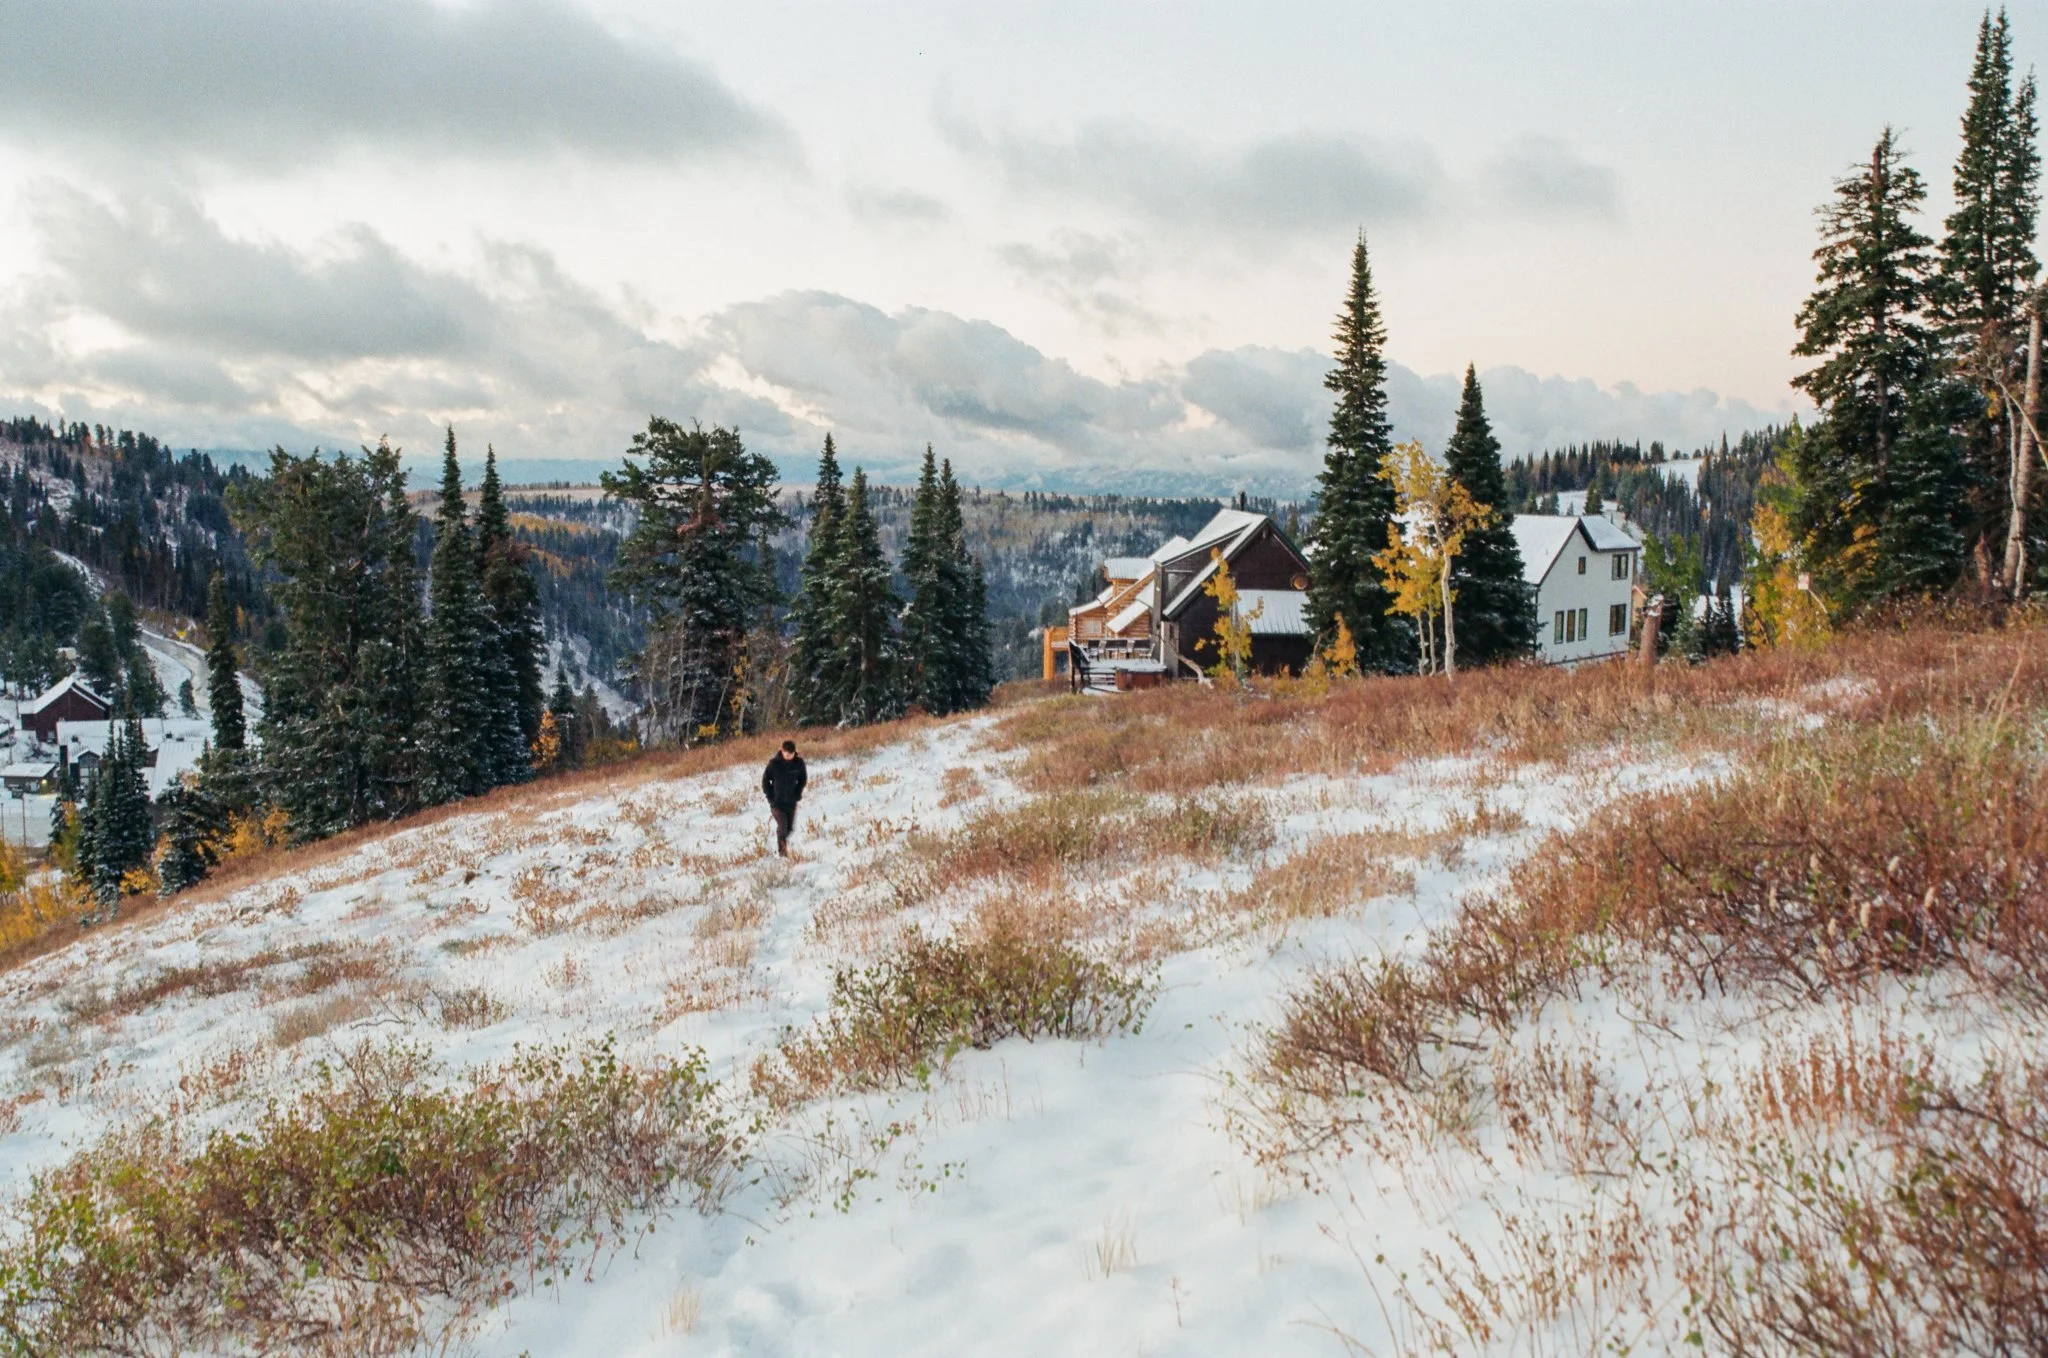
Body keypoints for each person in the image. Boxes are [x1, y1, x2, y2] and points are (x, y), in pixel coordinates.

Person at [761, 738, 808, 857]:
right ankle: (783, 854)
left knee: (789, 829)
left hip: (791, 801)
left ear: (794, 752)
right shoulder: (773, 764)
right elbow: (765, 780)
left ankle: (782, 841)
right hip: (777, 803)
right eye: (786, 754)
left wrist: (798, 793)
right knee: (782, 827)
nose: (788, 757)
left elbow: (802, 779)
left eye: (791, 755)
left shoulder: (799, 763)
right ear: (782, 751)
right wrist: (770, 796)